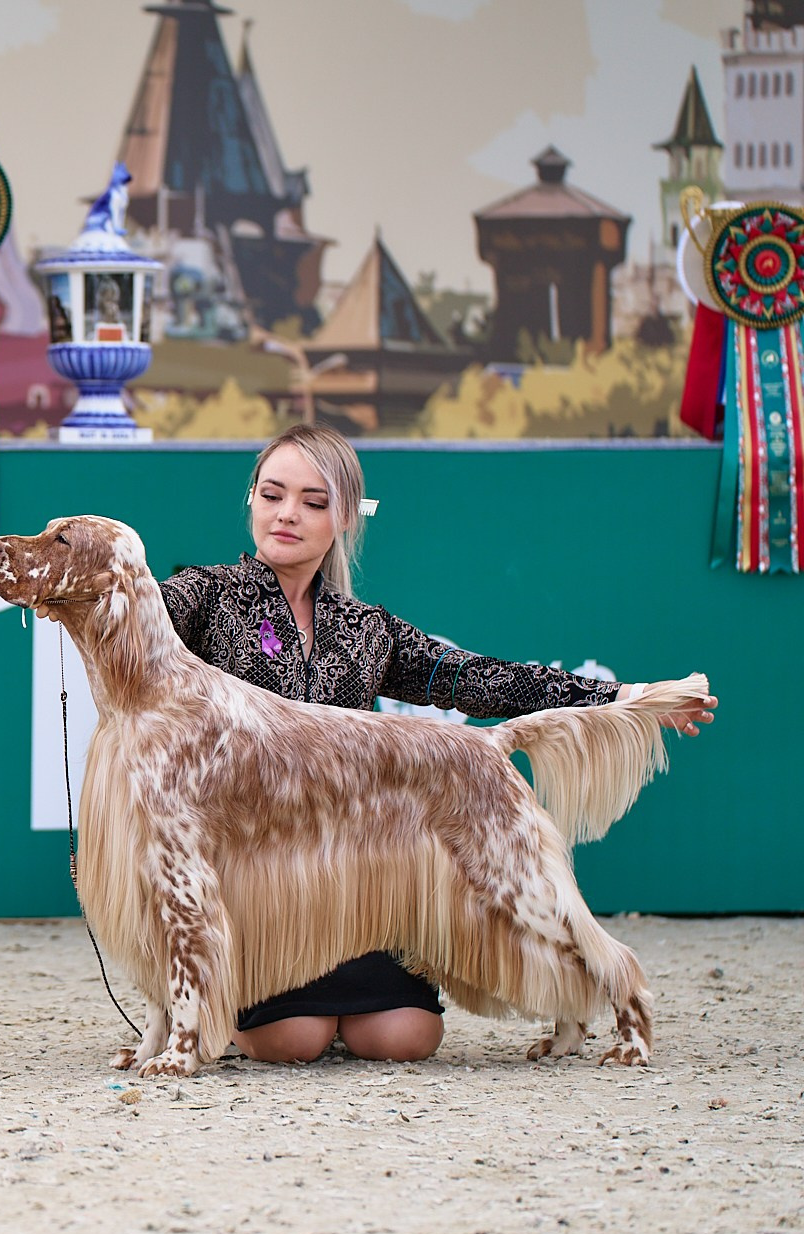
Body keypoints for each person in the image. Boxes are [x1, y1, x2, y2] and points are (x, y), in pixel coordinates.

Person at [156, 424, 716, 1065]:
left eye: (313, 501)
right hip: (255, 888)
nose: (288, 514)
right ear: (250, 498)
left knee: (404, 1039)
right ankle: (226, 994)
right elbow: (120, 605)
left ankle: (594, 999)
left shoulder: (362, 628)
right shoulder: (198, 598)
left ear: (343, 517)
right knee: (293, 1041)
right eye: (272, 494)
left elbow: (475, 678)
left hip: (355, 885)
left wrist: (621, 699)